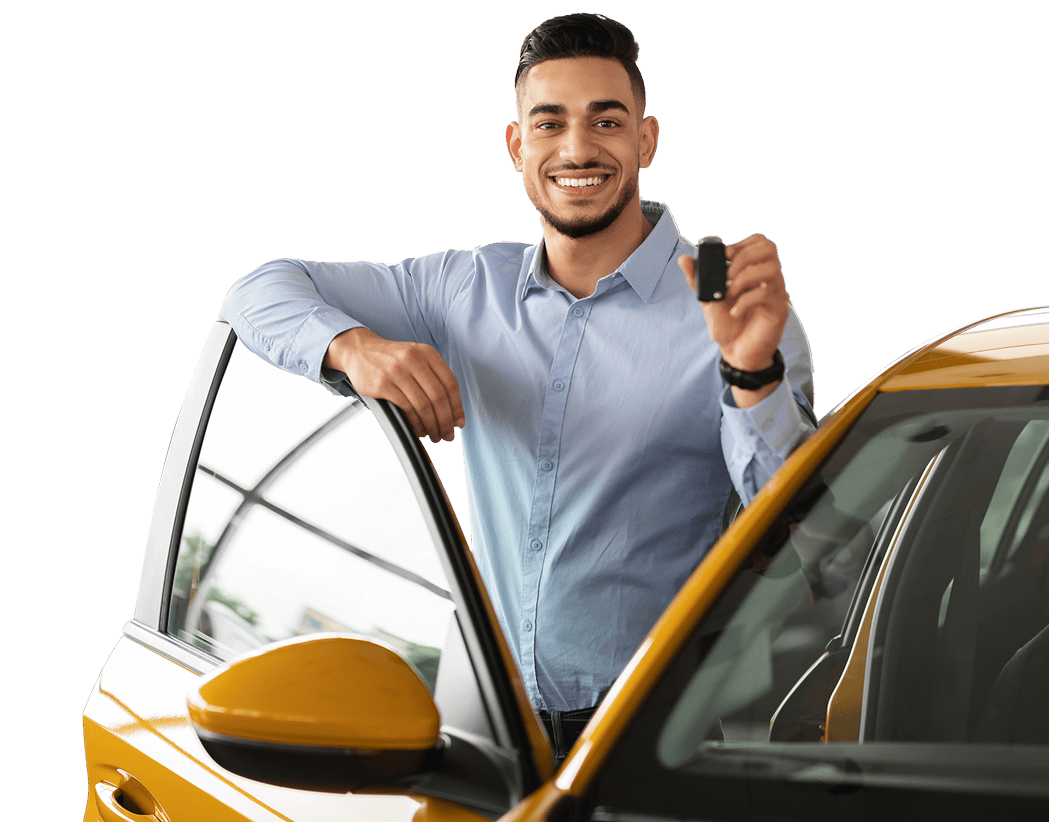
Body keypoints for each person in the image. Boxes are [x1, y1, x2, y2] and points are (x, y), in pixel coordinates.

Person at [221, 12, 816, 755]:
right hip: (486, 736)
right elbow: (258, 290)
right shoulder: (461, 286)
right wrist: (355, 347)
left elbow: (804, 528)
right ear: (516, 145)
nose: (577, 148)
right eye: (549, 123)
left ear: (646, 139)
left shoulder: (729, 307)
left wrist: (751, 374)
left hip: (658, 743)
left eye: (606, 120)